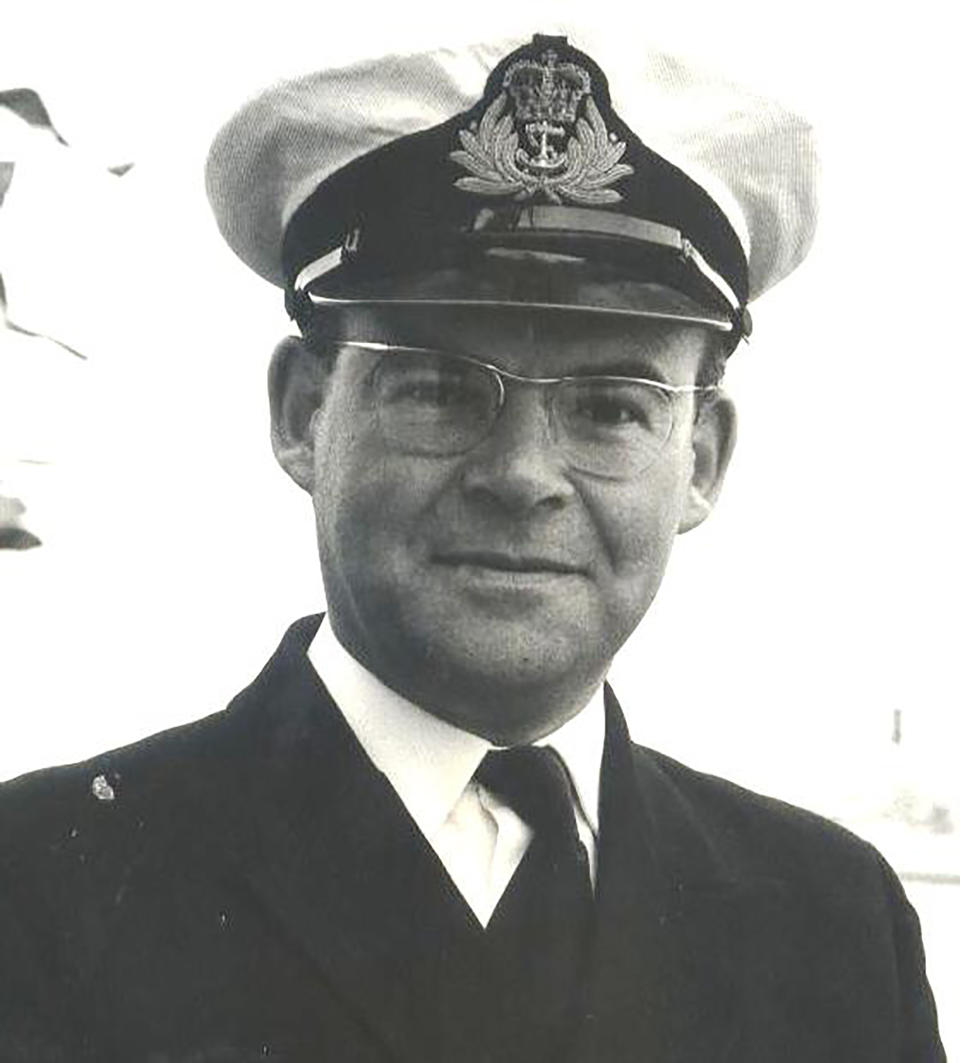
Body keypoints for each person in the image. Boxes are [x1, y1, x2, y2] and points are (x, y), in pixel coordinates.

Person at [0, 33, 945, 1063]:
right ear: (305, 414)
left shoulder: (835, 928)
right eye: (439, 386)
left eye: (611, 408)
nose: (524, 476)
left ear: (703, 459)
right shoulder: (44, 890)